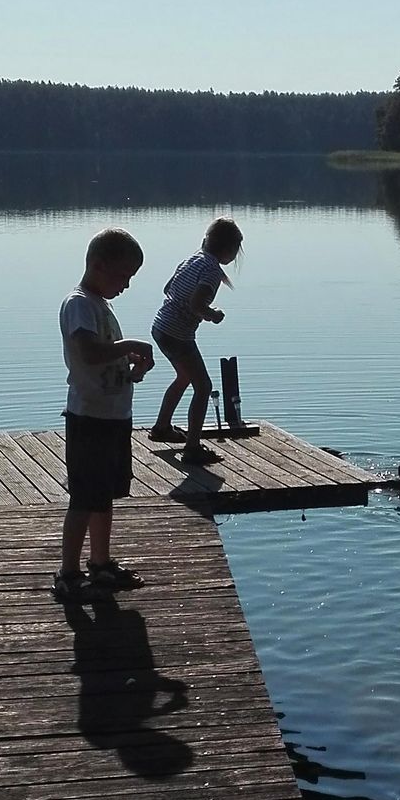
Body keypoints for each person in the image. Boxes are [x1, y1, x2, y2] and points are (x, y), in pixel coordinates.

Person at [54, 227, 154, 602]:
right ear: (98, 265)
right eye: (123, 276)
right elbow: (89, 353)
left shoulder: (102, 307)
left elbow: (107, 358)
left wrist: (133, 368)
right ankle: (68, 571)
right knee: (83, 497)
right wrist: (127, 345)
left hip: (114, 416)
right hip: (89, 419)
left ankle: (100, 562)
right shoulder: (78, 304)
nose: (126, 285)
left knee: (105, 495)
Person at [147, 217, 243, 464]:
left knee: (184, 377)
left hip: (161, 327)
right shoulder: (211, 272)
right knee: (204, 387)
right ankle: (192, 448)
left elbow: (168, 288)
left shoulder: (192, 259)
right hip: (178, 334)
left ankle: (161, 427)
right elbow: (196, 303)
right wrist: (212, 315)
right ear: (230, 251)